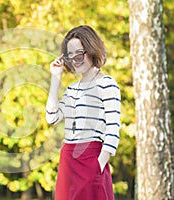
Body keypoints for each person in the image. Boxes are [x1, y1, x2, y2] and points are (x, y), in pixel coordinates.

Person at [46, 25, 121, 200]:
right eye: (70, 56)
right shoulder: (72, 89)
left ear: (91, 49)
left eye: (79, 54)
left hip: (91, 157)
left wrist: (98, 166)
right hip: (68, 160)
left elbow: (113, 130)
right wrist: (56, 77)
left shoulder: (107, 84)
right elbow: (51, 117)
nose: (75, 60)